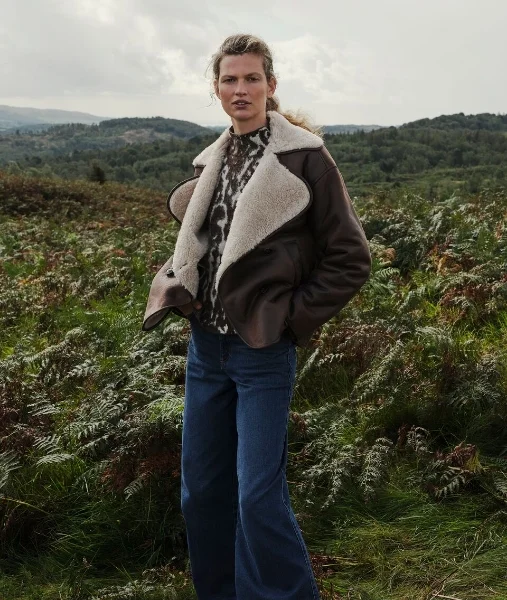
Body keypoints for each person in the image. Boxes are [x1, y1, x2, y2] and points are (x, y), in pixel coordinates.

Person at [143, 33, 371, 600]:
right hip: (206, 350)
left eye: (251, 78)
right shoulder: (214, 158)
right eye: (229, 79)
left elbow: (351, 258)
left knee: (256, 498)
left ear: (271, 85)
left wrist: (290, 320)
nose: (240, 89)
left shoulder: (306, 159)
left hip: (263, 351)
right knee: (201, 492)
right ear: (216, 88)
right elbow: (210, 245)